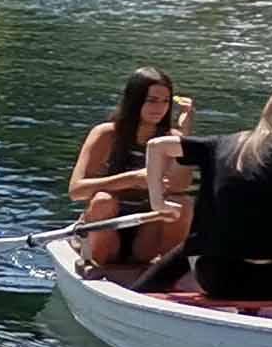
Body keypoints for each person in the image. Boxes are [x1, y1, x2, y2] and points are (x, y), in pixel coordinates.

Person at [140, 86, 272, 301]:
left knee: (200, 241)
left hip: (219, 280)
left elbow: (156, 146)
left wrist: (158, 203)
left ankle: (140, 292)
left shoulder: (220, 144)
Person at [68, 67, 193, 270]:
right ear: (135, 100)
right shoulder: (106, 134)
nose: (159, 108)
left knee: (183, 204)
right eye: (151, 100)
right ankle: (96, 266)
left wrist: (185, 138)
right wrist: (132, 178)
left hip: (146, 232)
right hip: (106, 230)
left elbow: (179, 186)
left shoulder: (172, 138)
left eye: (165, 102)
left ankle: (167, 271)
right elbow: (76, 191)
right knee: (103, 201)